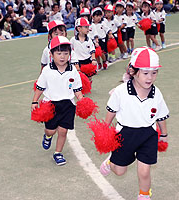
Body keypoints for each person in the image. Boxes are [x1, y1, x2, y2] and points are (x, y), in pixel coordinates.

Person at [100, 47, 169, 200]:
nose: (150, 77)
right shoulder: (120, 91)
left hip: (148, 135)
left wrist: (164, 134)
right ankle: (111, 161)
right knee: (119, 171)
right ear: (133, 71)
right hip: (125, 134)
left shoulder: (156, 93)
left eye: (154, 72)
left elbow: (161, 116)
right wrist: (105, 129)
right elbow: (111, 111)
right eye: (145, 73)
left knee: (144, 171)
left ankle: (144, 195)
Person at [31, 36, 84, 166]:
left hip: (68, 105)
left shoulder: (73, 71)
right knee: (51, 130)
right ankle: (48, 136)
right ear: (51, 54)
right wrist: (34, 101)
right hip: (50, 105)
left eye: (66, 53)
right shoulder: (47, 70)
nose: (62, 57)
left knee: (63, 131)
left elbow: (77, 90)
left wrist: (82, 101)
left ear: (70, 55)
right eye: (59, 53)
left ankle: (58, 153)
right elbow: (40, 87)